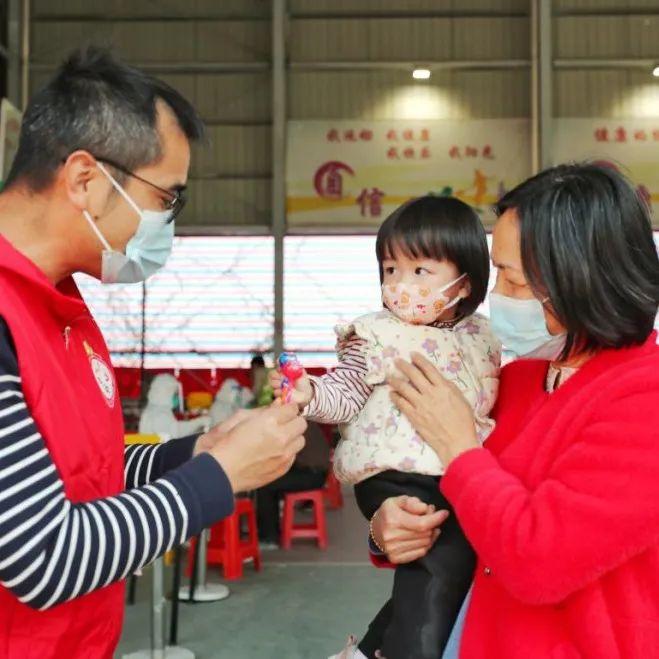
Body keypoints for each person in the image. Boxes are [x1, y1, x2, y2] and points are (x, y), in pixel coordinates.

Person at [0, 47, 306, 658]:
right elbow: (42, 555)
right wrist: (220, 476)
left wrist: (198, 451)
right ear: (85, 180)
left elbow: (82, 472)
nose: (168, 221)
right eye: (167, 197)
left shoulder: (61, 306)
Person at [369, 163, 659, 658]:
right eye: (497, 271)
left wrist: (458, 444)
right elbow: (469, 506)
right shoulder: (519, 378)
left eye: (515, 280)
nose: (498, 296)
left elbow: (539, 561)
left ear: (584, 281)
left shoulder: (644, 398)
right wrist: (387, 528)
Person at [272, 196, 501, 659]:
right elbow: (347, 390)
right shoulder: (377, 334)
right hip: (397, 474)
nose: (399, 284)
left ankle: (369, 651)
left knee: (440, 579)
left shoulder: (485, 337)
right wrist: (309, 394)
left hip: (455, 475)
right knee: (439, 574)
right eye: (390, 269)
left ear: (464, 283)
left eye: (420, 271)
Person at [256, 420, 331, 549]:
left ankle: (269, 538)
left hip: (311, 474)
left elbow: (279, 453)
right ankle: (271, 530)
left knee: (265, 485)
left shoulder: (293, 424)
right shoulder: (300, 420)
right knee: (271, 481)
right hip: (315, 472)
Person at [139, 373, 208, 438]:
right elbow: (176, 432)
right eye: (174, 394)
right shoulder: (160, 414)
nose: (176, 397)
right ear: (166, 393)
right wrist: (198, 422)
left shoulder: (154, 410)